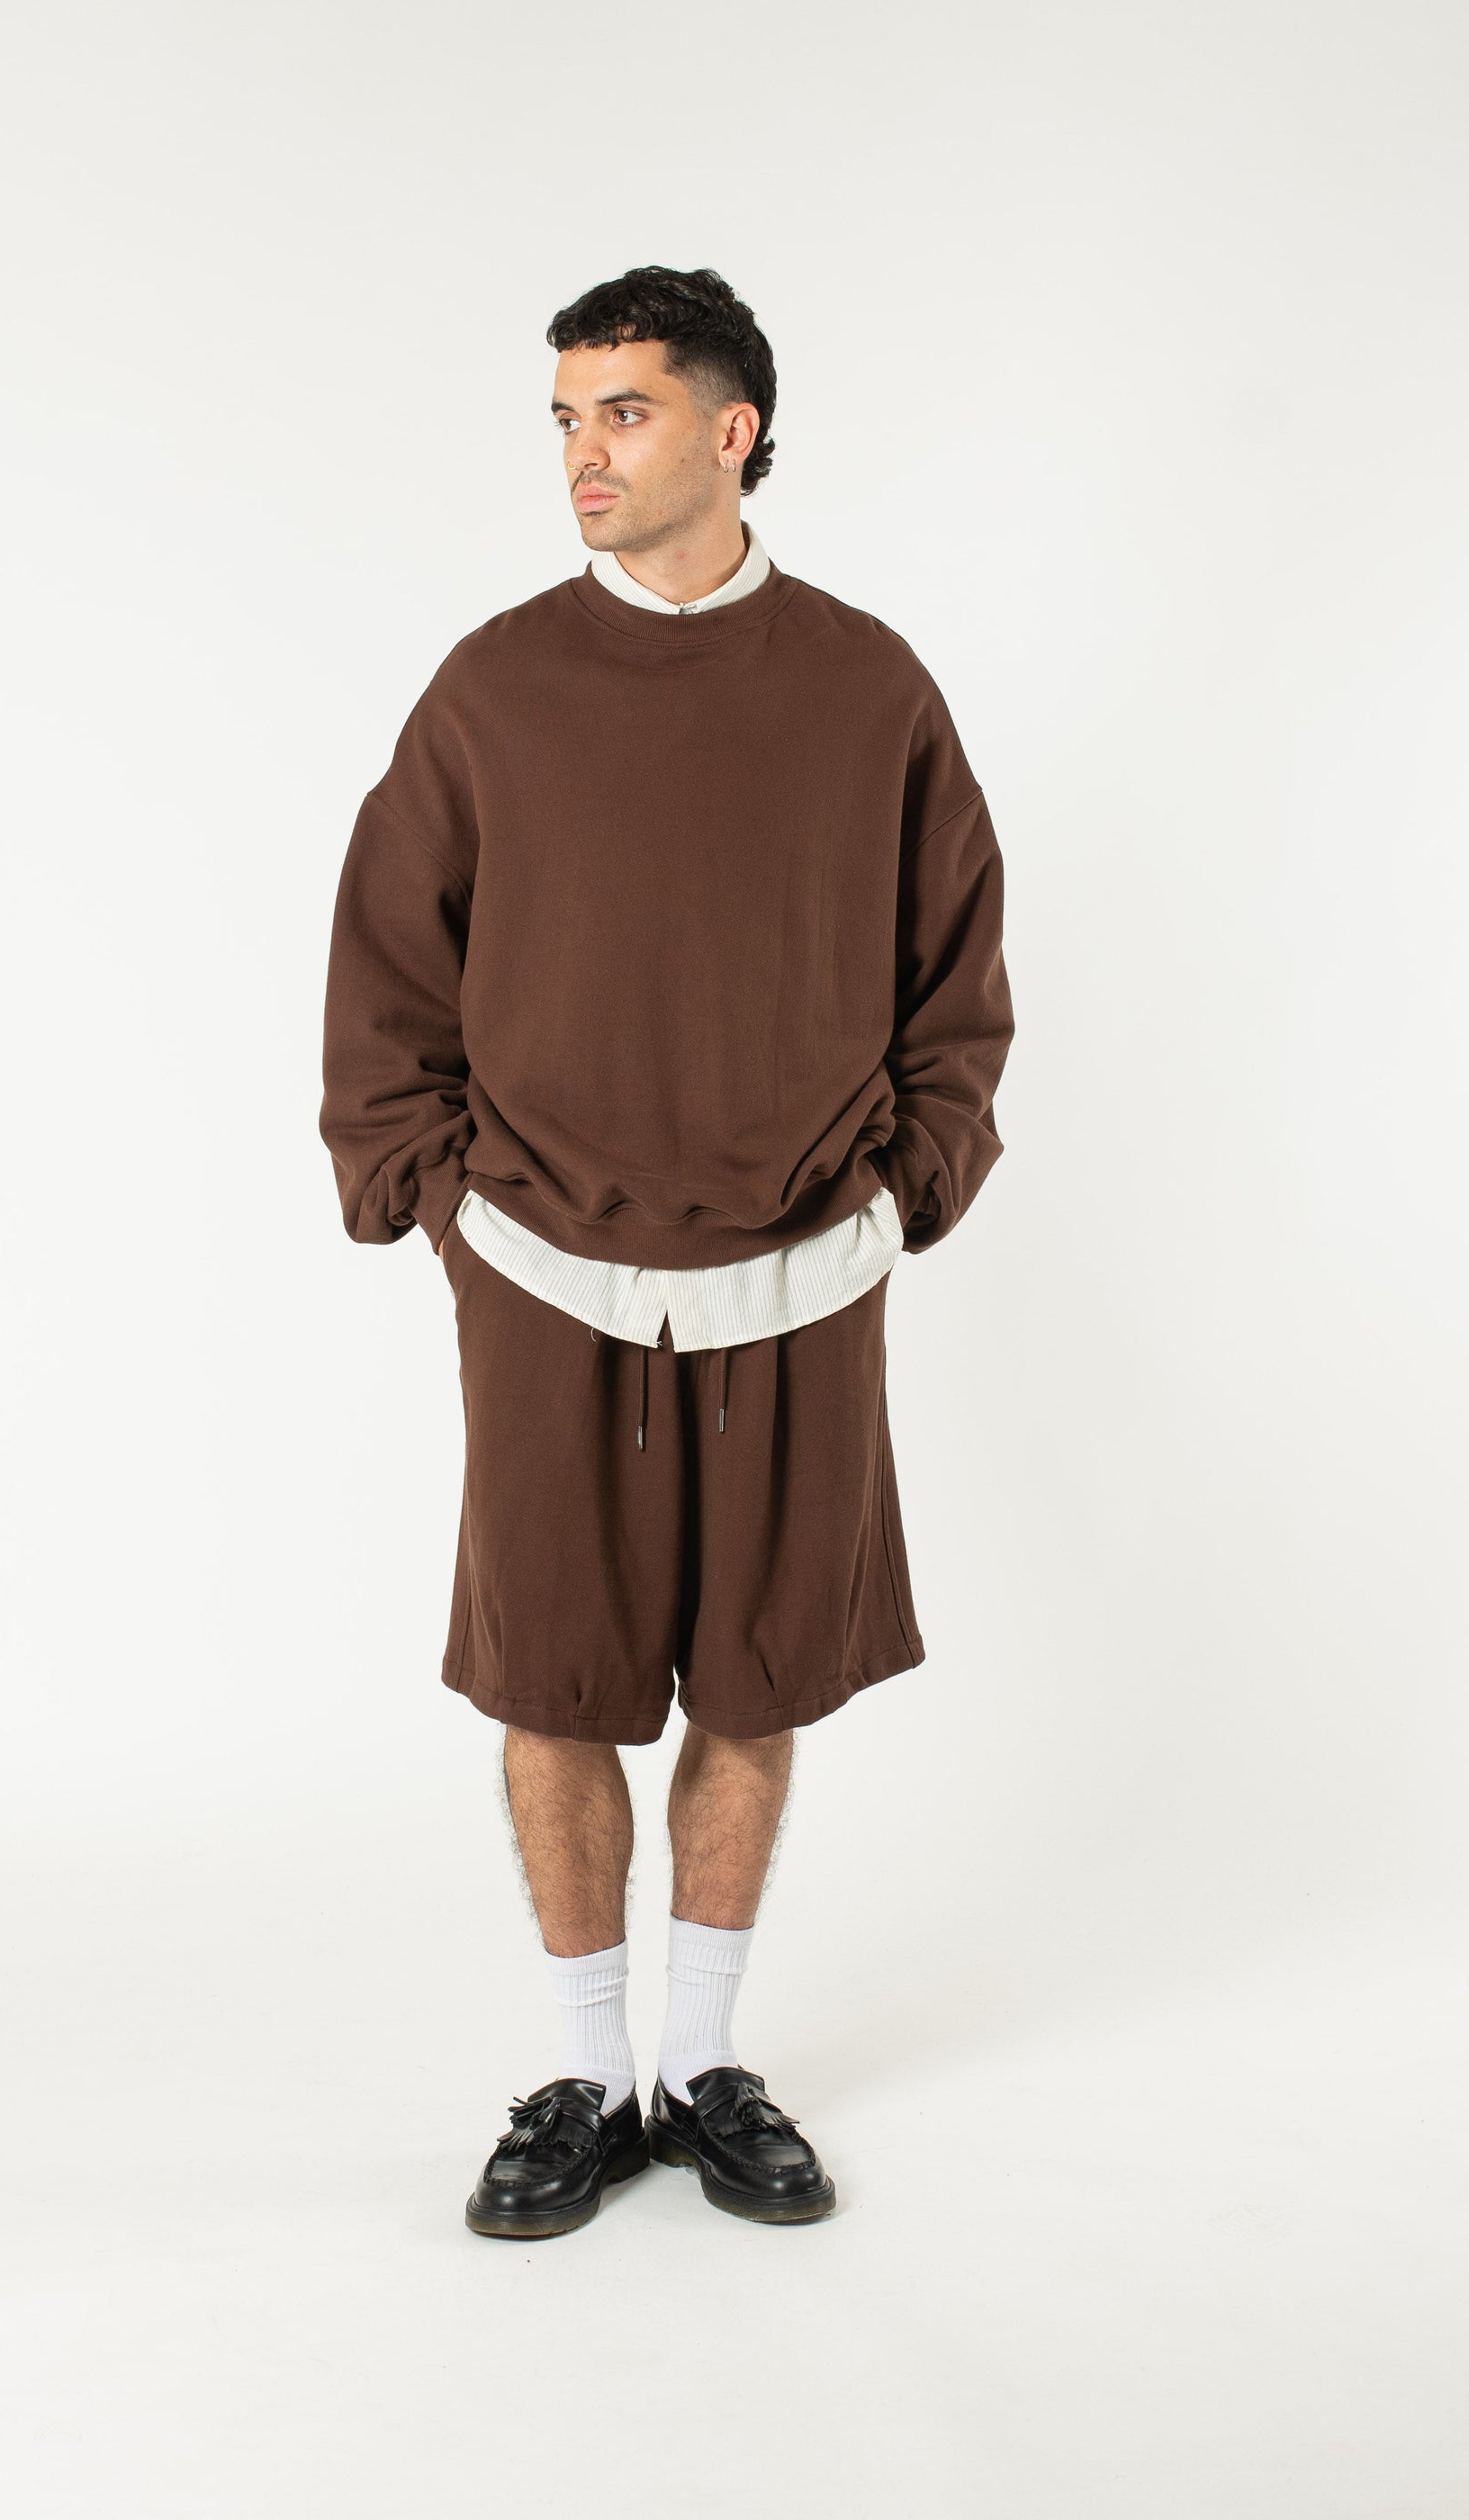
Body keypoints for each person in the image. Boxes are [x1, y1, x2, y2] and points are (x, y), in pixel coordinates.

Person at [320, 266, 1013, 2238]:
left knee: (758, 1679)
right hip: (547, 1265)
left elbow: (957, 982)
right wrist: (440, 1203)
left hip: (804, 1269)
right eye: (564, 418)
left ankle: (702, 2063)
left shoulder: (869, 687)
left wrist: (905, 1191)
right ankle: (582, 2070)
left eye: (621, 412)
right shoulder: (495, 688)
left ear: (733, 428)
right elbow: (385, 975)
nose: (582, 455)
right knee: (556, 1680)